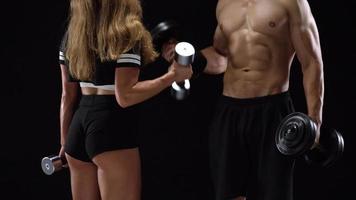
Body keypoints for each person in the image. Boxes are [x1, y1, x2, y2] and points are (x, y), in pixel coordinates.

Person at [57, 0, 192, 199]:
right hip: (110, 128)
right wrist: (172, 76)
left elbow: (67, 97)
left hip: (77, 131)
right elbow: (125, 96)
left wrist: (65, 142)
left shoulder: (72, 36)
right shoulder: (127, 32)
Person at [209, 0, 324, 200]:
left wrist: (315, 119)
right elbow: (220, 57)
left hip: (272, 111)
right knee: (228, 195)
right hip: (229, 111)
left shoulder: (291, 3)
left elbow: (311, 62)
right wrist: (185, 58)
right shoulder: (224, 3)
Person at [137, 20, 227, 200]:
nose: (169, 46)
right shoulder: (145, 67)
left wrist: (187, 58)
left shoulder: (197, 54)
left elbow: (221, 61)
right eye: (164, 44)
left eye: (172, 41)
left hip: (200, 139)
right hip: (157, 147)